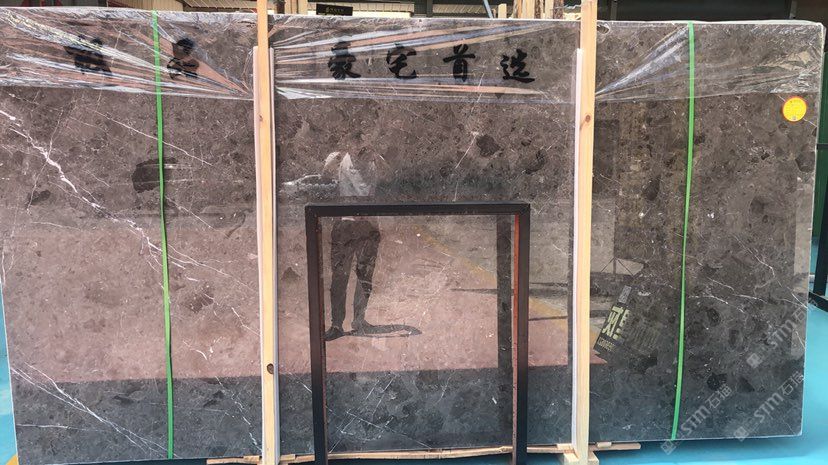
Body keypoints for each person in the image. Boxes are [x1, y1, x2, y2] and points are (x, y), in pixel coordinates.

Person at [321, 149, 387, 341]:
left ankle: (358, 320)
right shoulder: (338, 158)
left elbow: (389, 180)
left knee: (364, 276)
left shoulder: (375, 159)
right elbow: (323, 179)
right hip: (345, 225)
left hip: (367, 225)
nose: (359, 144)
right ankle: (337, 324)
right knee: (340, 278)